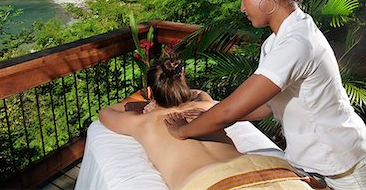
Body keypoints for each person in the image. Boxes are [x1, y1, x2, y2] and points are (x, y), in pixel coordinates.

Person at [164, 0, 366, 190]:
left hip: (349, 171)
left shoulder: (297, 42)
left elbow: (229, 113)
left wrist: (182, 132)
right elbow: (267, 105)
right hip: (325, 166)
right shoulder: (276, 41)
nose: (242, 7)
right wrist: (208, 116)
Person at [99, 56, 314, 189]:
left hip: (208, 183)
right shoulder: (208, 108)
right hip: (265, 171)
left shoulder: (143, 123)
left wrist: (148, 105)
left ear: (149, 93)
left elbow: (105, 112)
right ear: (183, 85)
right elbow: (200, 93)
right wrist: (182, 93)